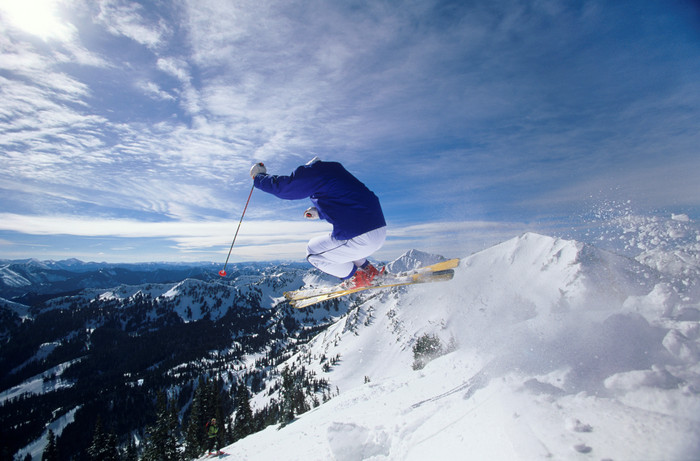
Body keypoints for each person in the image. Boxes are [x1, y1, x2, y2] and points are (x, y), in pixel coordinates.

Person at [250, 157, 386, 288]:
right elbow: (347, 201)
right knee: (340, 245)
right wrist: (320, 212)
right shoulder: (339, 173)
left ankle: (357, 277)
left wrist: (259, 177)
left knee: (313, 252)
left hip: (360, 235)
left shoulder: (316, 171)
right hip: (379, 231)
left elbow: (285, 188)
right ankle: (368, 270)